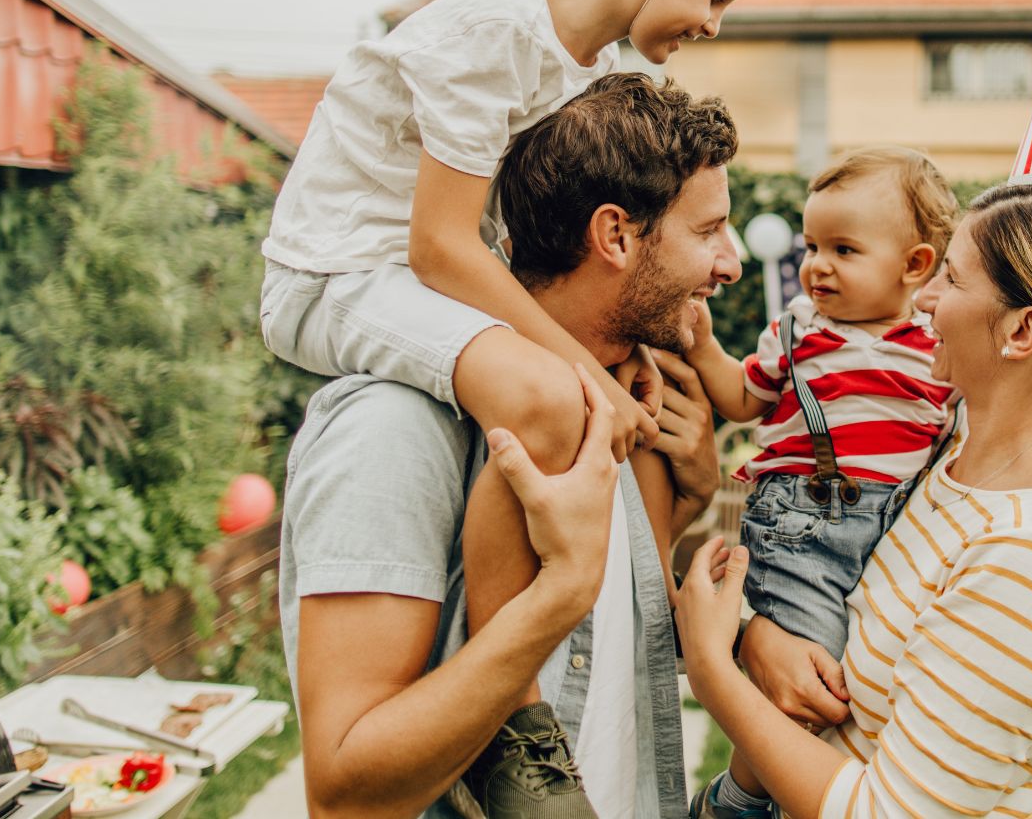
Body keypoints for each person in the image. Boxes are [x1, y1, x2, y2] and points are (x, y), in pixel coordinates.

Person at [259, 0, 793, 804]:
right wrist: (568, 372)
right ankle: (513, 709)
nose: (716, 24)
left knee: (566, 395)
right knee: (552, 398)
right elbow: (440, 248)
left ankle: (519, 683)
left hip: (403, 270)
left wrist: (664, 482)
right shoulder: (500, 25)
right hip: (338, 274)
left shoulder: (570, 63)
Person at [281, 73, 740, 818]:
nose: (732, 262)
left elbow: (599, 674)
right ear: (615, 236)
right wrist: (559, 593)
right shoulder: (396, 429)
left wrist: (678, 510)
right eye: (707, 230)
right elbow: (347, 790)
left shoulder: (616, 396)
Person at [677, 176, 1032, 817]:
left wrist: (714, 675)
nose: (922, 301)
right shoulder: (940, 458)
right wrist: (756, 636)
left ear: (1023, 331)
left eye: (952, 279)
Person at [682, 147, 960, 817]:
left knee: (867, 681)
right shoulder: (799, 330)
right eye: (812, 245)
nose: (817, 265)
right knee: (809, 679)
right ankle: (739, 800)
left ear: (915, 266)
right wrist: (703, 347)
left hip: (897, 529)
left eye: (843, 248)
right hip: (804, 525)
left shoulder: (938, 344)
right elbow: (744, 399)